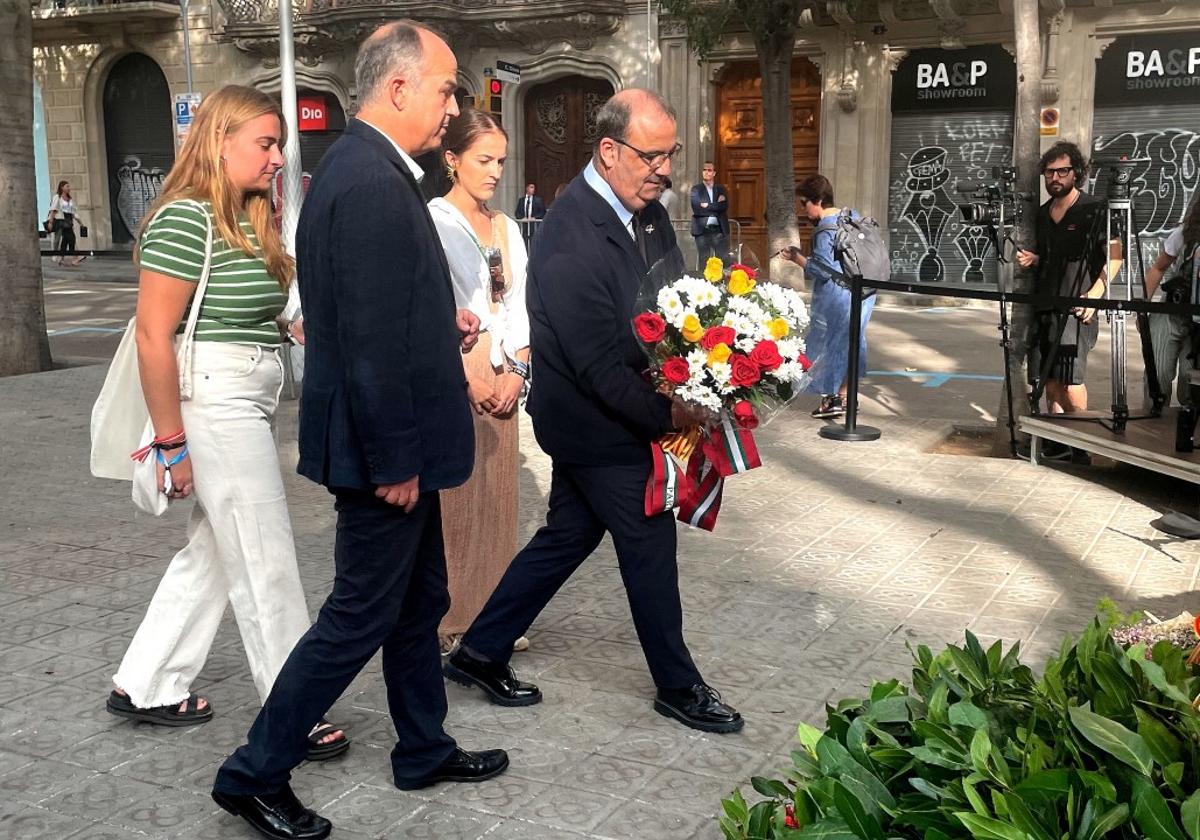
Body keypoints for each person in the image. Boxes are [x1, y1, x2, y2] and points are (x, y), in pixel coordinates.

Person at [212, 23, 505, 840]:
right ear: (400, 87)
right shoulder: (373, 180)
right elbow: (367, 346)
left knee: (420, 604)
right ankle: (252, 773)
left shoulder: (370, 168)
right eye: (446, 88)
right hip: (387, 452)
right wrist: (394, 460)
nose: (455, 105)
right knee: (356, 616)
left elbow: (370, 311)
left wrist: (431, 317)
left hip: (393, 440)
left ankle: (423, 748)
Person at [444, 89, 744, 736]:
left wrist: (711, 365)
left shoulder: (652, 211)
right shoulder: (570, 234)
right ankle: (679, 685)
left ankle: (480, 649)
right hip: (597, 425)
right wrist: (675, 418)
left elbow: (676, 312)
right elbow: (599, 370)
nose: (665, 169)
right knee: (649, 541)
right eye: (652, 156)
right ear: (608, 152)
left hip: (629, 409)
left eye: (671, 154)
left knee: (567, 536)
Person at [105, 85, 348, 760]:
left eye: (279, 145)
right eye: (265, 144)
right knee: (264, 553)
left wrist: (289, 324)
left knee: (217, 549)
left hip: (247, 395)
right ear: (220, 142)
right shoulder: (185, 219)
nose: (277, 158)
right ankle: (293, 708)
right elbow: (156, 336)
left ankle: (146, 681)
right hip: (212, 401)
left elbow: (241, 308)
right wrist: (170, 442)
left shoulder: (245, 215)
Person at [428, 108, 531, 653]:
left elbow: (519, 306)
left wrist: (517, 370)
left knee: (498, 500)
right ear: (452, 159)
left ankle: (493, 619)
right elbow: (433, 305)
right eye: (483, 159)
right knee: (456, 503)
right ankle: (449, 619)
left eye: (500, 161)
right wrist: (467, 376)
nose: (494, 171)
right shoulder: (433, 221)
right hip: (456, 372)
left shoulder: (509, 227)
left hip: (505, 371)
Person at [1016, 141, 1120, 461]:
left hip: (1078, 307)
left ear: (1077, 173)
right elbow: (1054, 253)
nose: (1056, 177)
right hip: (1044, 306)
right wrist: (1037, 258)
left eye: (1063, 170)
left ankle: (1082, 447)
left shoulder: (1095, 208)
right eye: (1050, 172)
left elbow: (1115, 255)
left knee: (1071, 381)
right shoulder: (1042, 214)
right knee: (1048, 381)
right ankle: (1056, 443)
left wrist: (1095, 296)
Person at [779, 174, 876, 420]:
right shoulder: (851, 216)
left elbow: (820, 270)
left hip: (838, 296)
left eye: (805, 203)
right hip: (863, 291)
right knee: (854, 343)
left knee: (828, 346)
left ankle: (831, 400)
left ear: (818, 200)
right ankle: (846, 397)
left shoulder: (825, 228)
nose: (803, 210)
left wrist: (796, 257)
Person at [1143, 194, 1200, 408]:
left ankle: (1185, 435)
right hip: (1169, 314)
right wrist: (1142, 307)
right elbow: (1158, 267)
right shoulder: (1185, 234)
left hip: (1198, 327)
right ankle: (1151, 427)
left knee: (1191, 384)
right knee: (1158, 378)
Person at [690, 161, 729, 267]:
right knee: (704, 259)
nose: (706, 172)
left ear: (714, 173)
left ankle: (721, 282)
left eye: (709, 170)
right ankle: (704, 282)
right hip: (701, 229)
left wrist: (707, 205)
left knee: (723, 259)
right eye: (704, 170)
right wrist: (716, 205)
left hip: (718, 229)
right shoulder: (696, 190)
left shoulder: (721, 189)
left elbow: (724, 206)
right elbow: (697, 208)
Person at [46, 180, 86, 266]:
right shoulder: (57, 197)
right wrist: (50, 222)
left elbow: (74, 212)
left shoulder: (69, 199)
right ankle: (76, 257)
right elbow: (53, 210)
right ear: (62, 187)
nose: (69, 188)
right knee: (71, 238)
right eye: (67, 186)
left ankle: (61, 258)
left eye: (69, 186)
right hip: (61, 221)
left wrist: (81, 223)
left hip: (68, 221)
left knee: (66, 240)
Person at [513, 182, 546, 250]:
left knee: (533, 243)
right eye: (531, 187)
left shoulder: (538, 200)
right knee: (524, 242)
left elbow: (543, 212)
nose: (533, 189)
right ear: (527, 188)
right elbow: (517, 213)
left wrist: (535, 217)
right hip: (524, 226)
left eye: (533, 188)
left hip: (534, 226)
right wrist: (522, 218)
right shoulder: (521, 200)